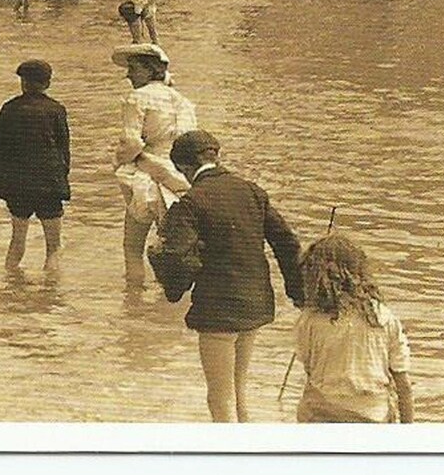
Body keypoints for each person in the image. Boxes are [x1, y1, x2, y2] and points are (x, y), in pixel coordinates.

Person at [149, 130, 304, 422]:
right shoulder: (253, 191)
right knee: (239, 391)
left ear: (182, 167)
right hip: (255, 304)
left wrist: (172, 285)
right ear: (215, 155)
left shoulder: (191, 202)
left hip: (217, 308)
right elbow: (286, 242)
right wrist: (299, 293)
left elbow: (175, 255)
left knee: (220, 397)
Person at [294, 233, 414, 423]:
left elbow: (310, 369)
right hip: (371, 417)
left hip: (321, 415)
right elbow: (403, 385)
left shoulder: (309, 320)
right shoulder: (384, 317)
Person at [110, 43, 196, 288]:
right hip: (178, 178)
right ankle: (169, 306)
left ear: (150, 71)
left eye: (133, 69)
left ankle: (133, 300)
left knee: (132, 247)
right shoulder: (183, 101)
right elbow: (191, 143)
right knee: (172, 248)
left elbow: (132, 143)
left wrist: (117, 162)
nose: (128, 75)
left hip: (145, 176)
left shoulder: (136, 98)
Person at [0, 59, 71, 273]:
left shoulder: (9, 109)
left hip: (18, 185)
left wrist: (1, 182)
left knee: (16, 242)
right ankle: (50, 296)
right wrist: (61, 178)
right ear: (48, 83)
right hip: (49, 183)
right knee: (54, 248)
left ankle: (10, 286)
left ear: (23, 82)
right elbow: (64, 149)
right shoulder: (56, 110)